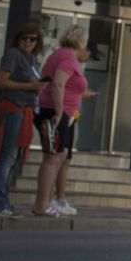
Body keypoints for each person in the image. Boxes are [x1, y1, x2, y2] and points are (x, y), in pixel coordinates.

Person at [31, 27, 94, 217]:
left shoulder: (58, 54)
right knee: (53, 156)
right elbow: (58, 84)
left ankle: (47, 201)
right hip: (55, 110)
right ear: (81, 41)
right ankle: (42, 204)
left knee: (59, 154)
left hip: (57, 110)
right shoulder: (68, 58)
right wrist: (59, 112)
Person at [0, 23, 46, 217]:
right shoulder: (14, 55)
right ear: (18, 39)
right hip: (13, 107)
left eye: (32, 39)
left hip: (26, 109)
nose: (28, 42)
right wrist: (30, 86)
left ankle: (3, 200)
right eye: (25, 38)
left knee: (15, 157)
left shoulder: (32, 60)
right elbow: (1, 81)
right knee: (7, 156)